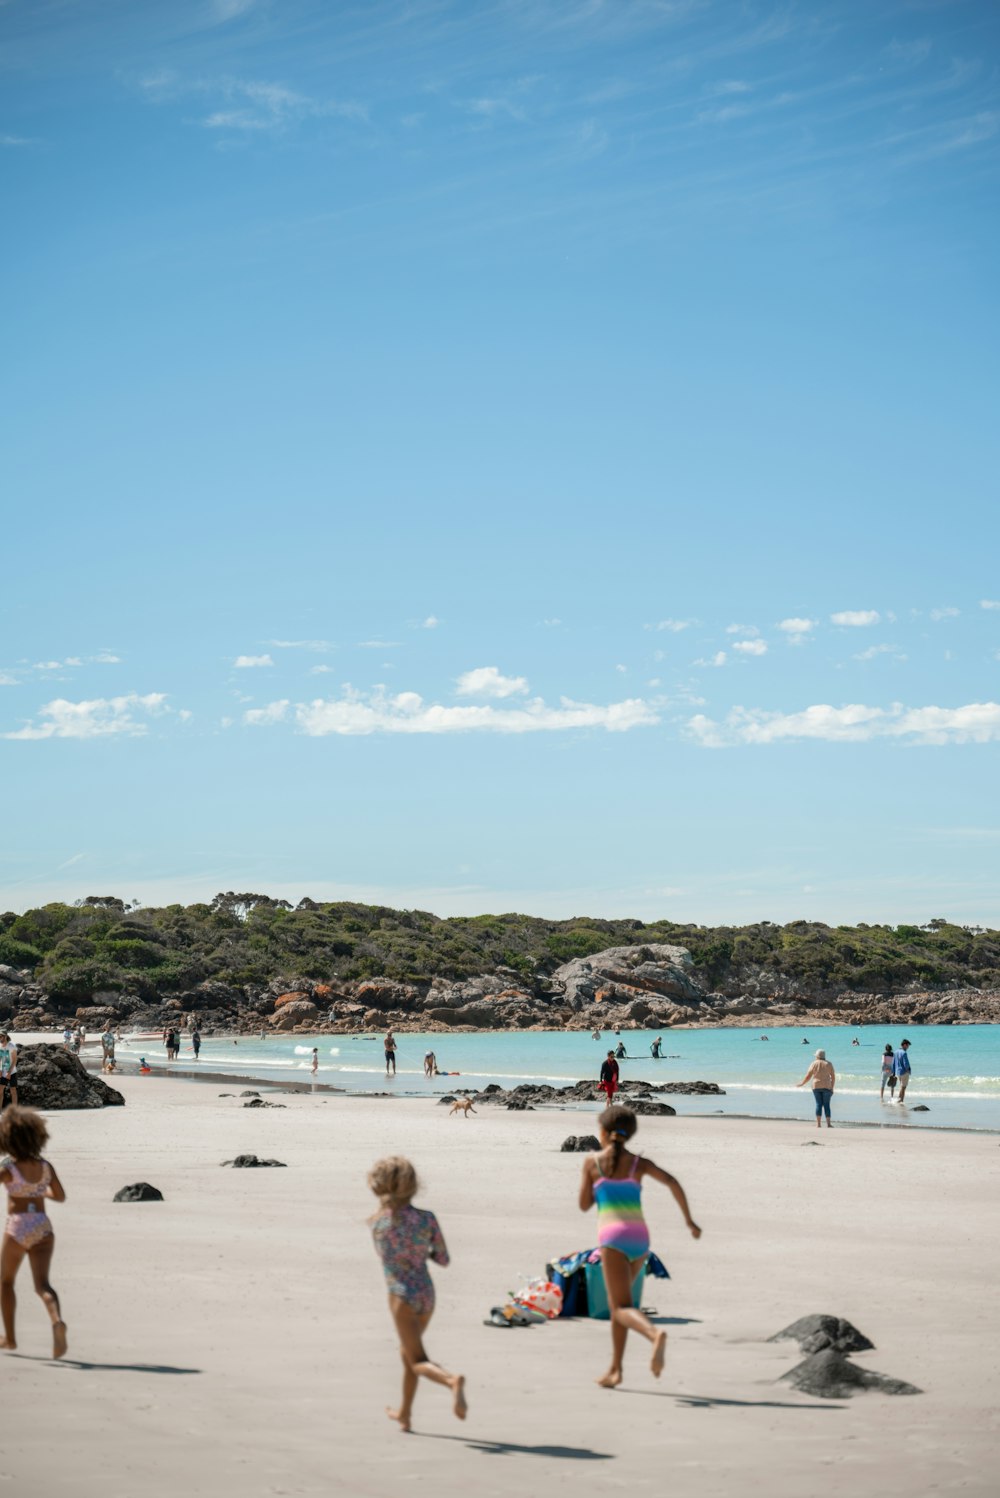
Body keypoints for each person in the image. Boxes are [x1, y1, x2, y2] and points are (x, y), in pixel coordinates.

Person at [579, 1104, 701, 1388]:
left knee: (620, 1309)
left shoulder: (593, 1163)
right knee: (621, 1305)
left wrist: (600, 1188)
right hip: (640, 1239)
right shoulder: (638, 1163)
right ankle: (615, 1370)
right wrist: (689, 1221)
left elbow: (584, 1205)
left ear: (604, 1132)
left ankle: (653, 1335)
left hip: (613, 1240)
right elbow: (672, 1182)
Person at [368, 1155, 466, 1433]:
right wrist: (425, 1250)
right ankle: (405, 1414)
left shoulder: (379, 1223)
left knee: (417, 1359)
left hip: (400, 1296)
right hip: (426, 1293)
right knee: (408, 1353)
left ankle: (451, 1381)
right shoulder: (427, 1219)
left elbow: (386, 1258)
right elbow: (443, 1259)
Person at [0, 1106, 67, 1359]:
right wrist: (38, 1192)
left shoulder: (10, 1170)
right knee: (43, 1285)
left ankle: (10, 1338)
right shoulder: (45, 1167)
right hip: (42, 1225)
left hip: (18, 1225)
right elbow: (59, 1196)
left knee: (5, 1282)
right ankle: (57, 1320)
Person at [797, 1048, 836, 1128]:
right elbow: (833, 1077)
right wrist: (832, 1087)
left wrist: (802, 1083)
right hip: (827, 1086)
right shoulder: (829, 1064)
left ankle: (818, 1124)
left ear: (817, 1056)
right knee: (826, 1105)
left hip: (816, 1086)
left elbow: (808, 1076)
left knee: (818, 1104)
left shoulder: (814, 1063)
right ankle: (828, 1124)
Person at [0, 1034, 18, 1109]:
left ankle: (14, 1110)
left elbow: (14, 1060)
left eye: (1, 1036)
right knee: (0, 1090)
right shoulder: (0, 1046)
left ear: (5, 1036)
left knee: (13, 1090)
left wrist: (9, 1072)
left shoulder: (11, 1046)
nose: (0, 1038)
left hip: (12, 1072)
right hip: (3, 1071)